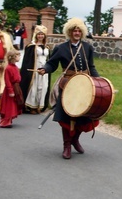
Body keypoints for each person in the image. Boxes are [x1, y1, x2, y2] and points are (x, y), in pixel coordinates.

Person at [38, 18, 100, 159]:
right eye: (74, 30)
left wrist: (99, 81)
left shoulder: (87, 47)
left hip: (84, 85)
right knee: (67, 118)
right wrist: (44, 69)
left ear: (82, 32)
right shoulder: (61, 48)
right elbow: (52, 64)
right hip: (67, 85)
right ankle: (66, 145)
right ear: (69, 32)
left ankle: (75, 140)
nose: (76, 33)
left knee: (84, 115)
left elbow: (91, 67)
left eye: (79, 30)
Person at [20, 25, 51, 113]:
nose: (40, 36)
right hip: (34, 70)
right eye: (39, 34)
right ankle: (31, 106)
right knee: (34, 87)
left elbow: (49, 59)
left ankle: (40, 105)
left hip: (44, 70)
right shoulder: (31, 46)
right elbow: (27, 60)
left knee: (43, 87)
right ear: (36, 35)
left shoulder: (47, 47)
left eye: (42, 34)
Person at [0, 48, 23, 128]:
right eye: (18, 56)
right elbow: (7, 80)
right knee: (9, 105)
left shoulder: (15, 67)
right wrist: (10, 90)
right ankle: (6, 121)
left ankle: (9, 119)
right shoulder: (8, 68)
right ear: (13, 57)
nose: (19, 57)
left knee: (14, 104)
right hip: (11, 89)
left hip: (16, 87)